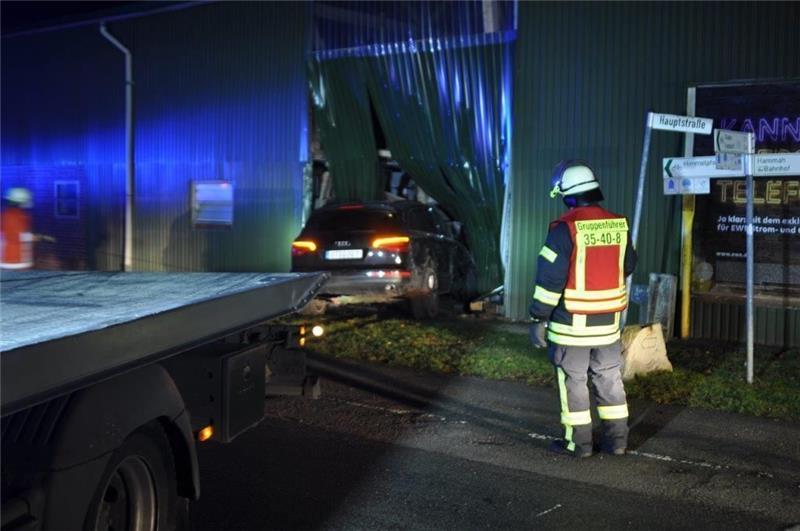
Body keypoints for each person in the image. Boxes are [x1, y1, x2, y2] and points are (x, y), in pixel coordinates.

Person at [529, 160, 637, 458]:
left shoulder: (565, 229)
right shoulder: (619, 224)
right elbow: (629, 265)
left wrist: (538, 317)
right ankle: (617, 442)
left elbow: (549, 280)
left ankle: (579, 444)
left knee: (574, 381)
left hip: (570, 326)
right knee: (609, 378)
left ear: (569, 195)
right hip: (608, 325)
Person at [1, 187, 35, 270]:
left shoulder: (8, 215)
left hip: (17, 260)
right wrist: (37, 237)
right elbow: (15, 236)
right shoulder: (13, 216)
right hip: (14, 262)